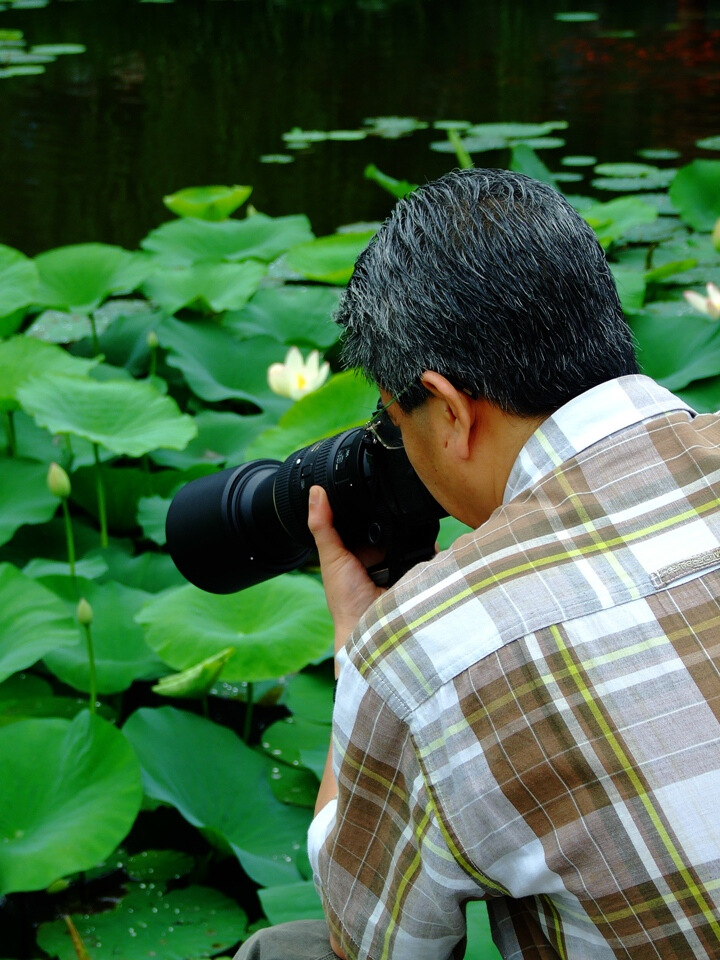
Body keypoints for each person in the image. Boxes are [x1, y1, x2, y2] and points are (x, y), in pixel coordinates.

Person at [235, 168, 720, 959]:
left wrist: (364, 639)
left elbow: (372, 941)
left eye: (397, 423)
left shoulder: (428, 644)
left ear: (450, 410)